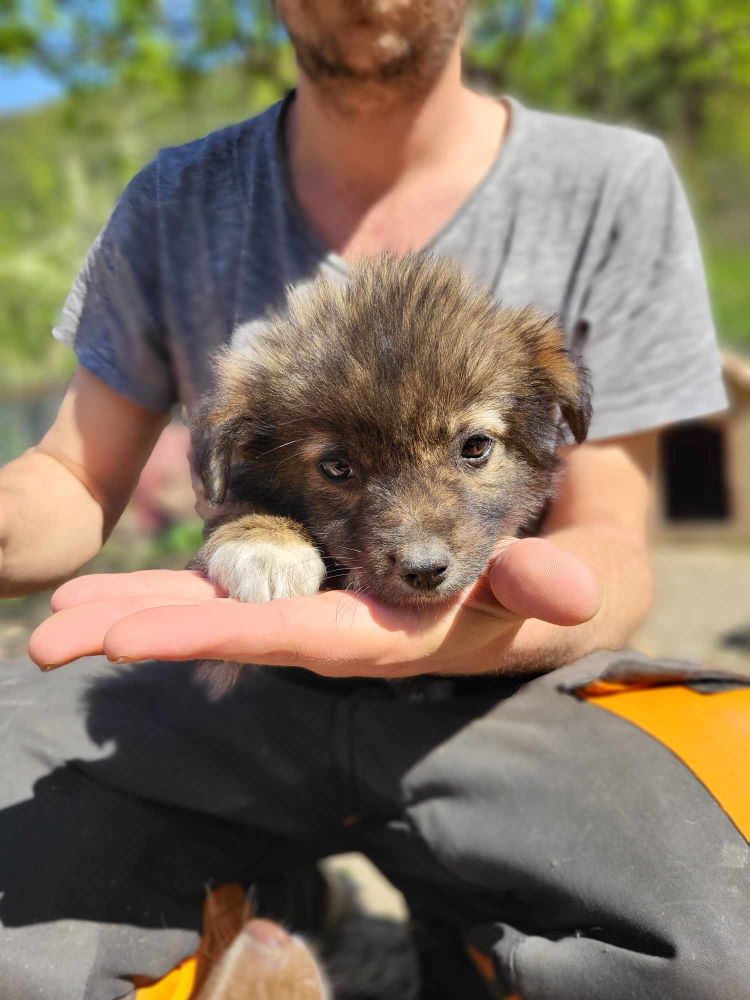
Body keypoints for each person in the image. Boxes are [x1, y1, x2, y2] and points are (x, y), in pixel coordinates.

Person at [1, 2, 748, 998]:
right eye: (340, 467)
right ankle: (278, 900)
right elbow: (74, 473)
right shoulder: (177, 199)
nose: (421, 540)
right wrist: (258, 532)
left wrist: (519, 620)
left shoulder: (612, 186)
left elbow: (610, 530)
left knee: (721, 941)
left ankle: (456, 930)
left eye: (471, 447)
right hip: (234, 682)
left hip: (506, 688)